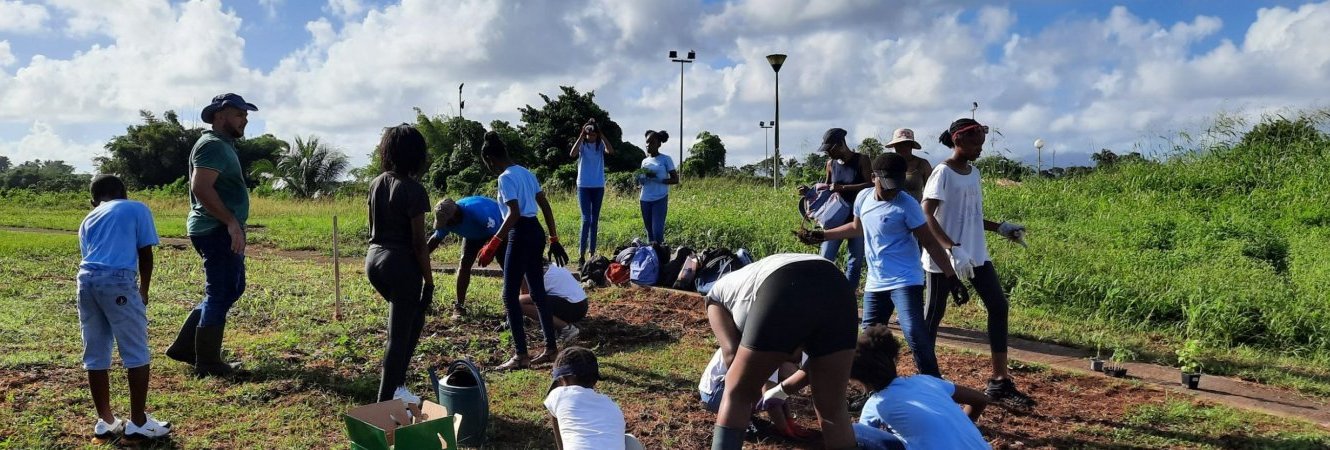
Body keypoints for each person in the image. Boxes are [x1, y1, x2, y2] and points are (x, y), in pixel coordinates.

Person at [799, 153, 959, 377]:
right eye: (887, 186)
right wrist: (822, 235)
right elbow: (857, 228)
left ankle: (934, 382)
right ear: (874, 177)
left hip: (906, 279)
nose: (892, 191)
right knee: (869, 339)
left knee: (913, 330)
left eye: (896, 186)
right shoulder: (864, 198)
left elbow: (929, 242)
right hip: (876, 282)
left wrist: (951, 276)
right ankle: (876, 388)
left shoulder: (907, 204)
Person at [921, 118, 1035, 408]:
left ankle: (999, 381)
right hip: (944, 260)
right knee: (933, 317)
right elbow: (926, 215)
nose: (980, 149)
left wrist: (999, 228)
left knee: (998, 306)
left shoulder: (974, 172)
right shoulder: (942, 172)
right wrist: (950, 248)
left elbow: (968, 215)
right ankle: (927, 383)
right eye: (975, 144)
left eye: (982, 144)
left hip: (976, 254)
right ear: (958, 141)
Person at [705, 253, 858, 450]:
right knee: (833, 408)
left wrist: (757, 396)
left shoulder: (715, 299)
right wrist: (779, 393)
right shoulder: (744, 286)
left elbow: (732, 356)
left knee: (737, 392)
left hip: (785, 284)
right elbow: (816, 362)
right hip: (838, 287)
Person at [165, 93, 258, 377]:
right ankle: (206, 361)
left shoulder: (223, 145)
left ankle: (185, 347)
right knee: (220, 291)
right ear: (220, 115)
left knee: (231, 288)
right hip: (215, 228)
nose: (245, 119)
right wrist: (230, 222)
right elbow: (201, 188)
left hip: (220, 227)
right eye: (239, 113)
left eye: (245, 114)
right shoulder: (212, 146)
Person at [77, 175, 172, 442]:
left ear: (93, 200)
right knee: (136, 350)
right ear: (123, 192)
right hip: (117, 281)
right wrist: (143, 290)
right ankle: (138, 423)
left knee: (95, 351)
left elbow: (90, 256)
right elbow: (145, 252)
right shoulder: (135, 208)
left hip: (86, 281)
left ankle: (105, 421)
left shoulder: (88, 219)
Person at [476, 131, 571, 371]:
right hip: (536, 232)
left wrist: (493, 243)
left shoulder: (505, 177)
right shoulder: (527, 173)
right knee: (538, 293)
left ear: (489, 158)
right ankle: (551, 349)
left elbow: (514, 213)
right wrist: (553, 237)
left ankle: (521, 355)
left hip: (519, 233)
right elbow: (545, 205)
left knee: (509, 296)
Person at [364, 124, 434, 403]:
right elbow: (419, 243)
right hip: (400, 264)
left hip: (374, 259)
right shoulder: (414, 190)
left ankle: (399, 385)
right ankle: (385, 401)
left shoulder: (377, 182)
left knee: (414, 320)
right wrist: (429, 282)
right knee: (398, 336)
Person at [851, 324, 990, 450]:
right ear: (893, 358)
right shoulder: (927, 381)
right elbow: (981, 399)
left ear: (862, 380)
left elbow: (860, 438)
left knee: (855, 432)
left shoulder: (875, 405)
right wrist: (959, 430)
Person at [427, 196, 502, 318]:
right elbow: (435, 240)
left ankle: (520, 302)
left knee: (507, 263)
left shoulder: (477, 213)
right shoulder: (447, 221)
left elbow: (498, 231)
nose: (448, 226)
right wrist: (420, 256)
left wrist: (490, 249)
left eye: (449, 222)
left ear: (456, 215)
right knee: (464, 264)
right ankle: (459, 306)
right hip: (473, 235)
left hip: (498, 230)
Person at [817, 128, 872, 288]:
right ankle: (823, 293)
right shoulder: (830, 164)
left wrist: (844, 188)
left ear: (840, 144)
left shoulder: (862, 160)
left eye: (830, 150)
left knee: (854, 262)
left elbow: (870, 185)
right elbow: (827, 188)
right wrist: (810, 192)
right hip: (836, 219)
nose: (828, 154)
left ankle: (849, 296)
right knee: (825, 258)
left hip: (858, 219)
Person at [545, 346, 629, 450]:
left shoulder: (558, 395)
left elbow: (553, 412)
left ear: (561, 379)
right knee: (630, 441)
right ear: (595, 379)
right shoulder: (611, 405)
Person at [569, 120, 614, 266]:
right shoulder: (582, 144)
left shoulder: (600, 145)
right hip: (583, 186)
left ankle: (591, 253)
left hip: (598, 186)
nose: (591, 137)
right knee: (586, 219)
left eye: (593, 134)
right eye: (589, 134)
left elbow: (611, 151)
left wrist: (602, 135)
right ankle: (581, 254)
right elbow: (572, 153)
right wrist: (581, 135)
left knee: (595, 220)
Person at [518, 262, 588, 345]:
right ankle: (556, 325)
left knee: (517, 302)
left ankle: (566, 329)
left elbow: (524, 295)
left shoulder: (530, 270)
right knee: (533, 299)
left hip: (572, 307)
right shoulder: (552, 265)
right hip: (582, 305)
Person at [637, 130, 678, 244]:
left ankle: (660, 256)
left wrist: (659, 180)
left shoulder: (666, 159)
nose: (648, 145)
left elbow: (675, 179)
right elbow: (641, 183)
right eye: (647, 142)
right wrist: (641, 179)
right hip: (645, 199)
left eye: (651, 142)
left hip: (660, 198)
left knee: (657, 232)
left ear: (659, 144)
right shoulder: (644, 161)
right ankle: (652, 258)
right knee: (649, 232)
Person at [885, 128, 931, 204]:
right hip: (893, 210)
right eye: (899, 144)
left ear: (911, 146)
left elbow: (931, 191)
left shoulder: (922, 164)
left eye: (906, 144)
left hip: (916, 210)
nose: (902, 147)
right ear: (894, 146)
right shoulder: (887, 164)